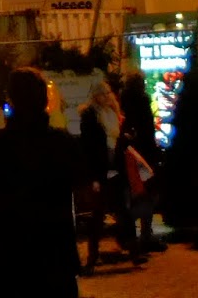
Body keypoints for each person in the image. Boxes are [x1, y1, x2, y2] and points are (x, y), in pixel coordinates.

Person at [0, 68, 81, 298]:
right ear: (44, 101)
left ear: (11, 100)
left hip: (9, 263)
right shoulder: (62, 144)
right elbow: (81, 182)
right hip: (55, 261)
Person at [79, 76, 143, 273]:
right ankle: (92, 256)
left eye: (108, 93)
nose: (107, 96)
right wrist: (94, 177)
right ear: (96, 96)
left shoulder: (113, 113)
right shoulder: (90, 116)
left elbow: (116, 140)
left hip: (115, 167)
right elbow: (89, 147)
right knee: (98, 216)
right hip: (100, 168)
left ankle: (133, 251)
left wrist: (126, 138)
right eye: (103, 94)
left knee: (123, 211)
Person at [119, 71, 161, 253]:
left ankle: (132, 231)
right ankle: (145, 233)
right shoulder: (142, 101)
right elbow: (147, 128)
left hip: (130, 153)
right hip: (144, 153)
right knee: (149, 193)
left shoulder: (123, 100)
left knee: (135, 193)